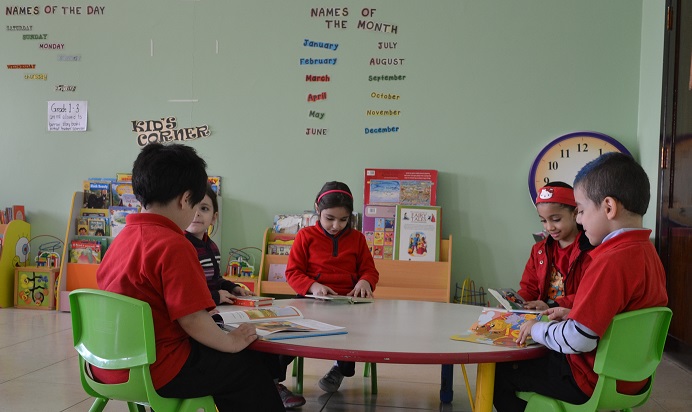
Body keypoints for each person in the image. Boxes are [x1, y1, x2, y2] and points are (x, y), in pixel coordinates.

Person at [95, 143, 284, 412]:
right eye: (196, 204)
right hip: (158, 369)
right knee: (248, 369)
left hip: (106, 364)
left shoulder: (121, 239)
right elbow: (193, 319)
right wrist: (230, 342)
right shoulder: (174, 244)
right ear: (185, 199)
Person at [493, 152, 668, 411]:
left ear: (608, 207)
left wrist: (537, 330)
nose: (579, 219)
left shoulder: (609, 260)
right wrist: (572, 312)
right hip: (631, 378)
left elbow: (580, 339)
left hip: (588, 379)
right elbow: (619, 316)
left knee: (500, 373)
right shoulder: (647, 253)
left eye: (582, 211)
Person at [185, 183, 304, 409]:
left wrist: (232, 287)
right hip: (204, 317)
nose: (197, 214)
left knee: (263, 333)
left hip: (218, 310)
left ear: (214, 217)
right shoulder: (182, 245)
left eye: (204, 209)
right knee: (250, 342)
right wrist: (215, 296)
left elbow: (215, 278)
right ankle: (267, 385)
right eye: (193, 207)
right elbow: (189, 290)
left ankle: (273, 383)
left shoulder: (211, 247)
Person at [285, 181, 380, 393]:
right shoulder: (305, 236)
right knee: (286, 334)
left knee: (354, 333)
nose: (336, 225)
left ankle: (340, 369)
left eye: (343, 220)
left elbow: (370, 270)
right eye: (330, 218)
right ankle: (274, 380)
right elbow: (292, 272)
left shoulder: (357, 239)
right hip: (311, 302)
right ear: (317, 209)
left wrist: (365, 281)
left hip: (348, 304)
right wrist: (312, 286)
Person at [517, 182, 593, 311]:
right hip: (542, 316)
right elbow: (529, 288)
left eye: (556, 219)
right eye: (543, 220)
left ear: (575, 213)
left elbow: (588, 293)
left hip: (570, 315)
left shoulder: (590, 250)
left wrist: (552, 306)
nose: (549, 227)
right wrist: (516, 303)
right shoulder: (539, 250)